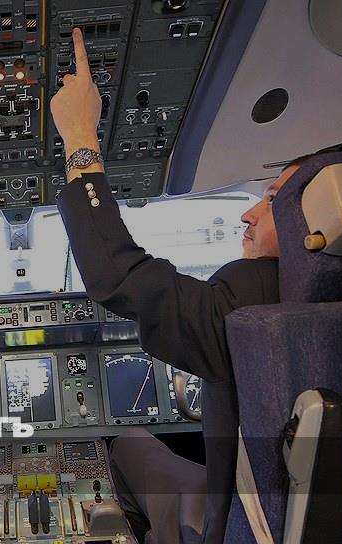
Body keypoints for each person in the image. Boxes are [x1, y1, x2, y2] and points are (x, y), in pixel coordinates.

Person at [49, 28, 310, 544]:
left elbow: (119, 275)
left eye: (272, 198)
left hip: (236, 526)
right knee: (132, 441)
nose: (249, 213)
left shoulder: (260, 300)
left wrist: (79, 135)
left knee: (125, 443)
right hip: (268, 507)